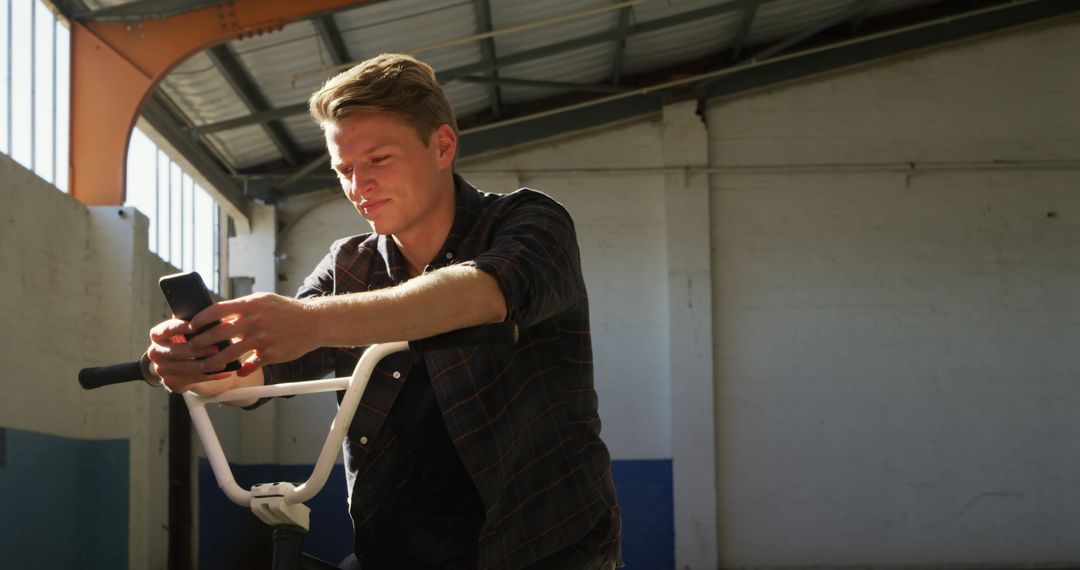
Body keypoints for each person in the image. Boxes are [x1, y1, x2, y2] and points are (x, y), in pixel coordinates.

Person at [147, 53, 621, 570]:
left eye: (378, 160)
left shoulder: (531, 221)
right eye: (344, 169)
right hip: (395, 549)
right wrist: (200, 366)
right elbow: (269, 369)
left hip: (544, 544)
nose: (358, 186)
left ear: (441, 146)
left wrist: (309, 321)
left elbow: (484, 294)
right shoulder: (349, 264)